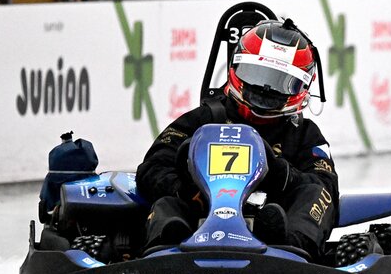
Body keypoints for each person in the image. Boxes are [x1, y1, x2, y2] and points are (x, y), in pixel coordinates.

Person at [136, 18, 338, 260]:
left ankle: (292, 248)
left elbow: (326, 186)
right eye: (257, 73)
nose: (265, 89)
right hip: (198, 219)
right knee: (167, 203)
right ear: (236, 67)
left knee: (315, 194)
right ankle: (166, 246)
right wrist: (185, 190)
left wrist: (282, 175)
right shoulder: (204, 119)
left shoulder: (303, 133)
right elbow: (152, 167)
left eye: (280, 81)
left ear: (302, 87)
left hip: (274, 222)